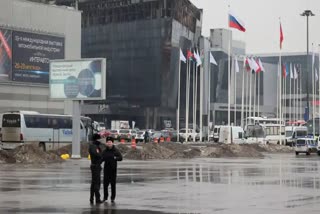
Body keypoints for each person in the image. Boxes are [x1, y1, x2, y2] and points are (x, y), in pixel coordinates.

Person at [102, 137, 123, 203]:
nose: (109, 143)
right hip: (106, 170)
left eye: (110, 142)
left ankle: (112, 198)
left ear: (112, 143)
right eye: (108, 142)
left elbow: (120, 158)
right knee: (105, 185)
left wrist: (115, 158)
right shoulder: (104, 151)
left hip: (113, 170)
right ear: (106, 143)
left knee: (113, 185)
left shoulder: (116, 150)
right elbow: (101, 159)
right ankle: (105, 197)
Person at [88, 133, 104, 204]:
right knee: (96, 183)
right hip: (95, 166)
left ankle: (92, 198)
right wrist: (102, 156)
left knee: (94, 183)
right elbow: (98, 155)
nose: (101, 140)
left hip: (96, 166)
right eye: (99, 139)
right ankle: (97, 199)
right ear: (96, 139)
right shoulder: (94, 147)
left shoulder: (95, 146)